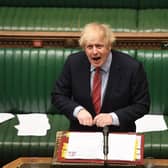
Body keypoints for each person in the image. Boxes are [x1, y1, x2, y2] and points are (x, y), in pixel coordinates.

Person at [51, 22, 150, 132]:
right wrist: (78, 111)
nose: (94, 52)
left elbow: (142, 105)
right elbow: (58, 95)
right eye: (89, 47)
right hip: (83, 131)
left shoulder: (132, 67)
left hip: (118, 131)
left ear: (109, 46)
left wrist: (113, 118)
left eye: (99, 46)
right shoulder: (73, 63)